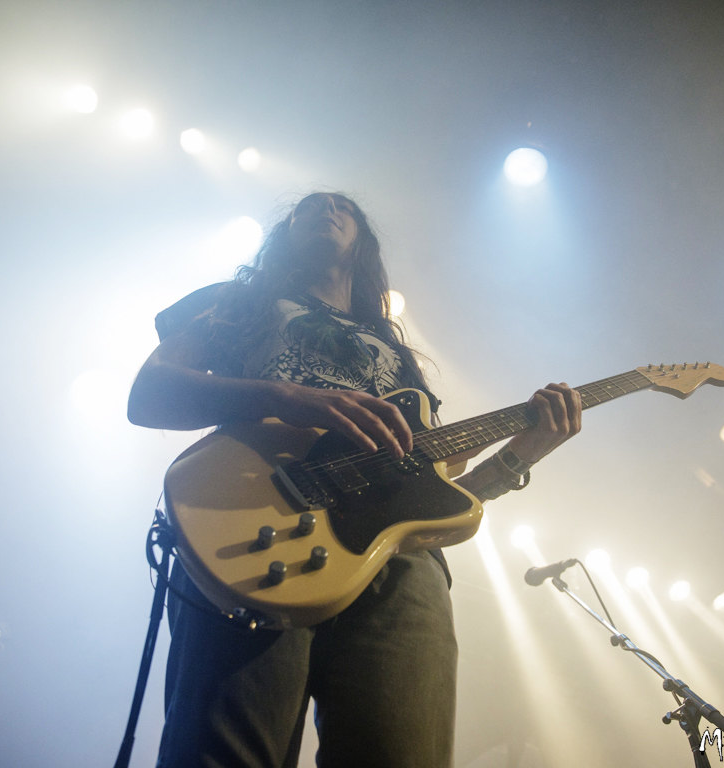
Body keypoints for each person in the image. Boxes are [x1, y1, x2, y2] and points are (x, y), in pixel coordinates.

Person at [128, 191, 583, 767]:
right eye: (309, 206)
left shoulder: (395, 350)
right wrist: (289, 397)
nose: (327, 209)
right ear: (284, 233)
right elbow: (150, 393)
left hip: (396, 563)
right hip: (255, 520)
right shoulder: (238, 302)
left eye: (342, 206)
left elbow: (434, 490)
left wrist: (523, 453)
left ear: (363, 241)